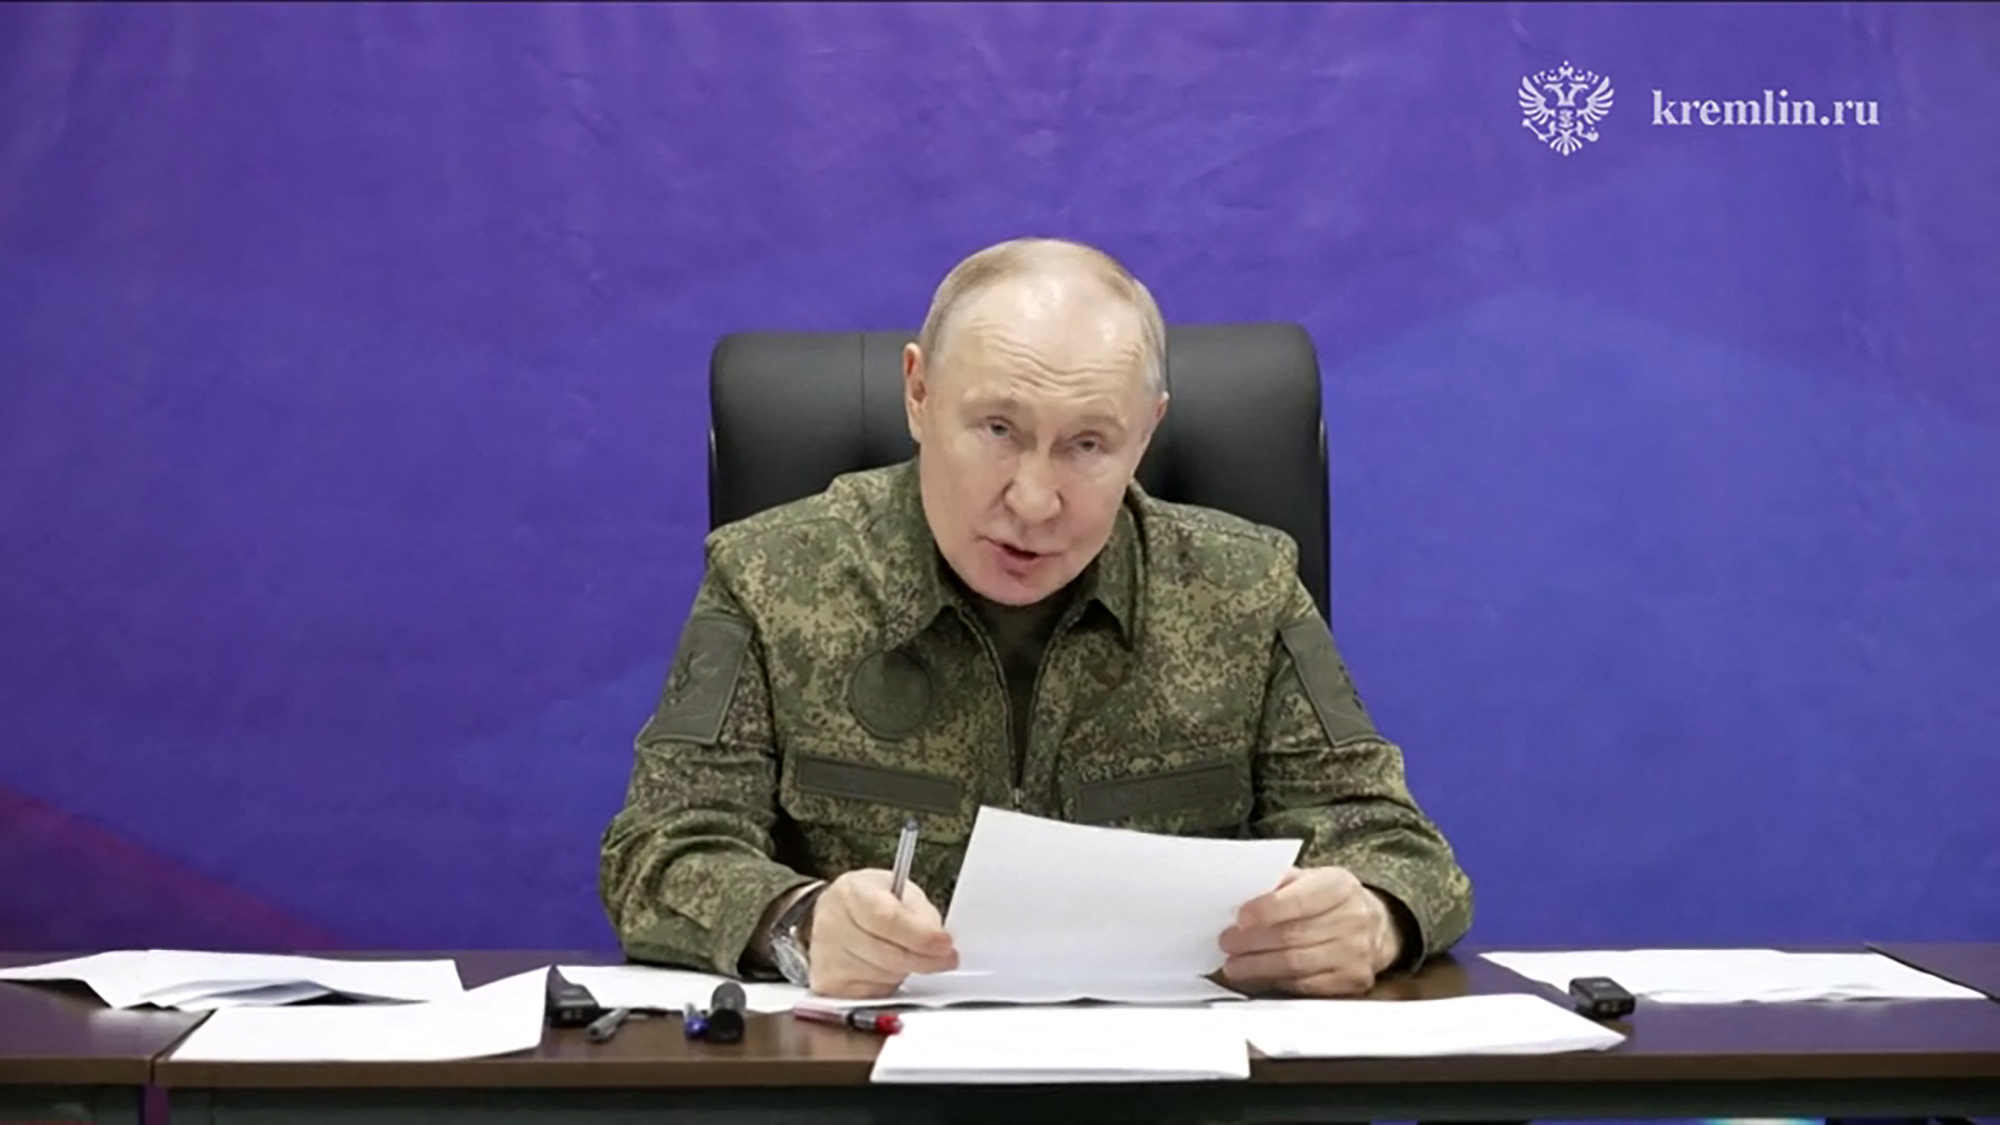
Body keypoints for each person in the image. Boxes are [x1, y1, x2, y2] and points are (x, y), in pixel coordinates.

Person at [598, 236, 1472, 1000]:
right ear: (917, 392)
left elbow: (1398, 846)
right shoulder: (770, 576)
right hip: (869, 1086)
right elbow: (659, 850)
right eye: (997, 429)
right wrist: (798, 922)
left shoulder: (1246, 587)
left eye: (1088, 444)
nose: (1034, 500)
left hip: (1167, 1095)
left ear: (1147, 433)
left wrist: (1372, 918)